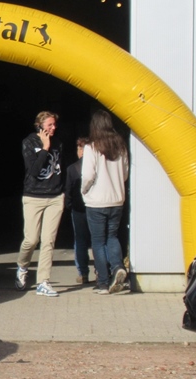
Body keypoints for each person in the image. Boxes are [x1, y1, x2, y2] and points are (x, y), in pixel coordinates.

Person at [16, 110, 65, 297]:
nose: (53, 128)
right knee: (31, 239)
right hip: (33, 196)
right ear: (39, 126)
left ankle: (43, 281)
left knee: (48, 241)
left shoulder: (58, 143)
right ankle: (22, 266)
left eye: (54, 124)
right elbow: (34, 171)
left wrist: (63, 191)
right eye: (49, 125)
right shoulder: (29, 143)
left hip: (55, 197)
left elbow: (59, 168)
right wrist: (45, 147)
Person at [82, 110, 130, 295]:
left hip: (97, 201)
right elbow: (125, 174)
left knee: (98, 241)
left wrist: (84, 190)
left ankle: (102, 282)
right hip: (117, 199)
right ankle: (118, 267)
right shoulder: (120, 146)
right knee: (112, 237)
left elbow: (88, 175)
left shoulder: (92, 147)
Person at [64, 137, 92, 284]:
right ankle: (101, 271)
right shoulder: (96, 167)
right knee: (98, 240)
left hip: (78, 209)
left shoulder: (72, 169)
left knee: (80, 241)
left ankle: (83, 273)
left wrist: (69, 205)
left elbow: (68, 191)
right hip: (94, 207)